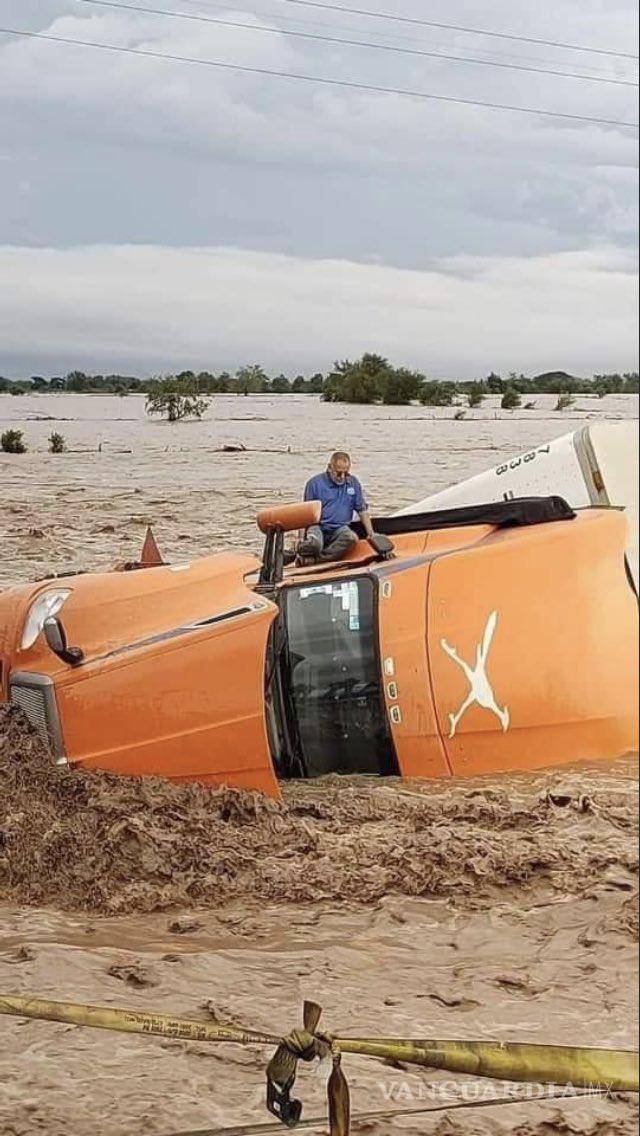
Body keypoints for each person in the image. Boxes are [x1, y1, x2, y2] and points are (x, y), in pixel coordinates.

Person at [297, 451, 375, 561]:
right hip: (318, 527)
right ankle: (299, 554)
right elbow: (305, 514)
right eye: (339, 473)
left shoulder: (353, 483)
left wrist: (371, 534)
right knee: (314, 544)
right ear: (329, 468)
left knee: (351, 538)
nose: (342, 477)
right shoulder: (314, 484)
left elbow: (362, 510)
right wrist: (300, 537)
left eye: (346, 473)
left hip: (340, 528)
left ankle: (318, 560)